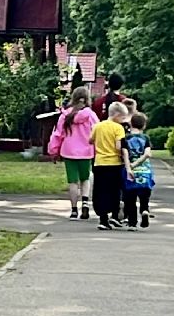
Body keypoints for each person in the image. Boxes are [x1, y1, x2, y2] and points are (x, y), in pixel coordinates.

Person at [50, 87, 100, 220]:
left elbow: (57, 134)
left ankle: (73, 210)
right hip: (86, 152)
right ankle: (85, 203)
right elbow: (97, 133)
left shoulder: (65, 115)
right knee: (85, 179)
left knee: (72, 181)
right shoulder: (91, 115)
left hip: (69, 151)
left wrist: (53, 151)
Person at [90, 102, 130, 229]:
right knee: (115, 191)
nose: (123, 120)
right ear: (117, 115)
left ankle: (103, 219)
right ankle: (114, 216)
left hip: (99, 163)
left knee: (101, 191)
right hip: (114, 163)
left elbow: (90, 140)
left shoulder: (97, 126)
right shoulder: (118, 128)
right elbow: (119, 146)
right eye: (123, 117)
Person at [122, 112, 155, 229]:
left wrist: (130, 166)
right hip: (145, 170)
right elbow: (147, 154)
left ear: (130, 124)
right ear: (144, 126)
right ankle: (144, 210)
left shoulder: (126, 138)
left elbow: (124, 154)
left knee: (130, 197)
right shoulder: (145, 138)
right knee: (144, 194)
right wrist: (138, 163)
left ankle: (132, 223)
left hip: (130, 171)